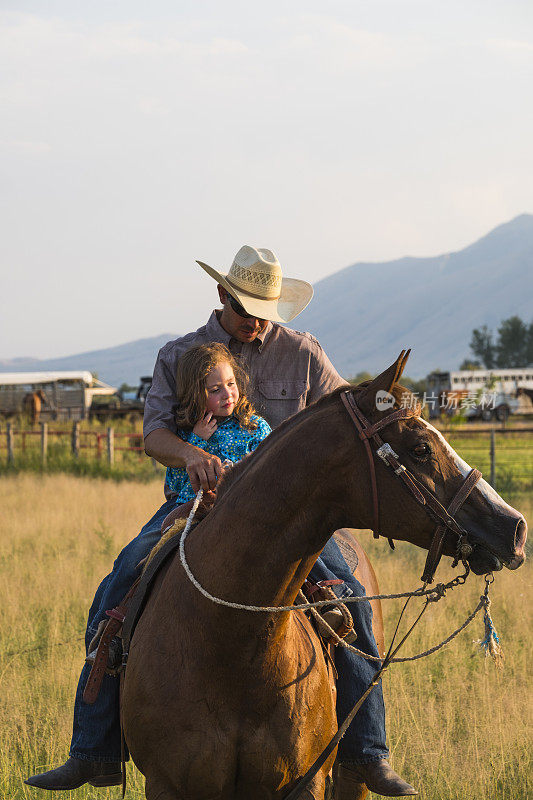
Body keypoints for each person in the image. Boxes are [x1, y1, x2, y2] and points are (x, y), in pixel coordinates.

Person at [26, 245, 416, 797]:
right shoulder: (179, 355)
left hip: (294, 519)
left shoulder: (304, 354)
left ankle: (366, 753)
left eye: (266, 310)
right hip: (196, 505)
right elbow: (155, 432)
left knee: (352, 596)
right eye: (246, 308)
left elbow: (347, 417)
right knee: (117, 586)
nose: (257, 320)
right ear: (221, 295)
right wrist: (191, 456)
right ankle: (91, 750)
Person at [165, 341, 271, 506]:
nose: (227, 394)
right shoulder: (187, 433)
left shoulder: (255, 427)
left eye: (231, 384)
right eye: (215, 390)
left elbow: (272, 470)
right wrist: (196, 441)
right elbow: (177, 485)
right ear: (195, 395)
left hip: (248, 506)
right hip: (195, 511)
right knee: (164, 529)